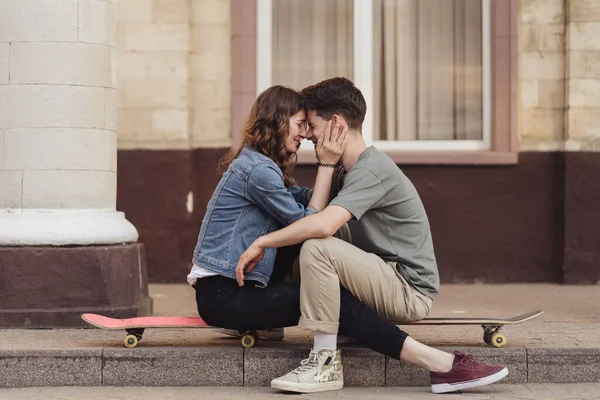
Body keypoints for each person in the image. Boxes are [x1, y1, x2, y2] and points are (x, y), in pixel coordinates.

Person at [236, 77, 509, 394]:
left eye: (311, 124)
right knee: (303, 246)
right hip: (378, 277)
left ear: (336, 123)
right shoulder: (344, 170)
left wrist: (262, 242)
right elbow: (307, 212)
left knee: (316, 247)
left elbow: (322, 226)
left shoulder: (373, 169)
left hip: (407, 289)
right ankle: (269, 324)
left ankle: (324, 363)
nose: (307, 134)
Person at [187, 85, 349, 337]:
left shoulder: (260, 164)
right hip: (224, 295)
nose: (305, 134)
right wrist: (326, 164)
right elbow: (307, 222)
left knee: (328, 293)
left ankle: (264, 320)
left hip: (235, 286)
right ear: (280, 122)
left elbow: (305, 199)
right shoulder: (258, 170)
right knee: (329, 296)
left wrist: (342, 173)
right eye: (300, 124)